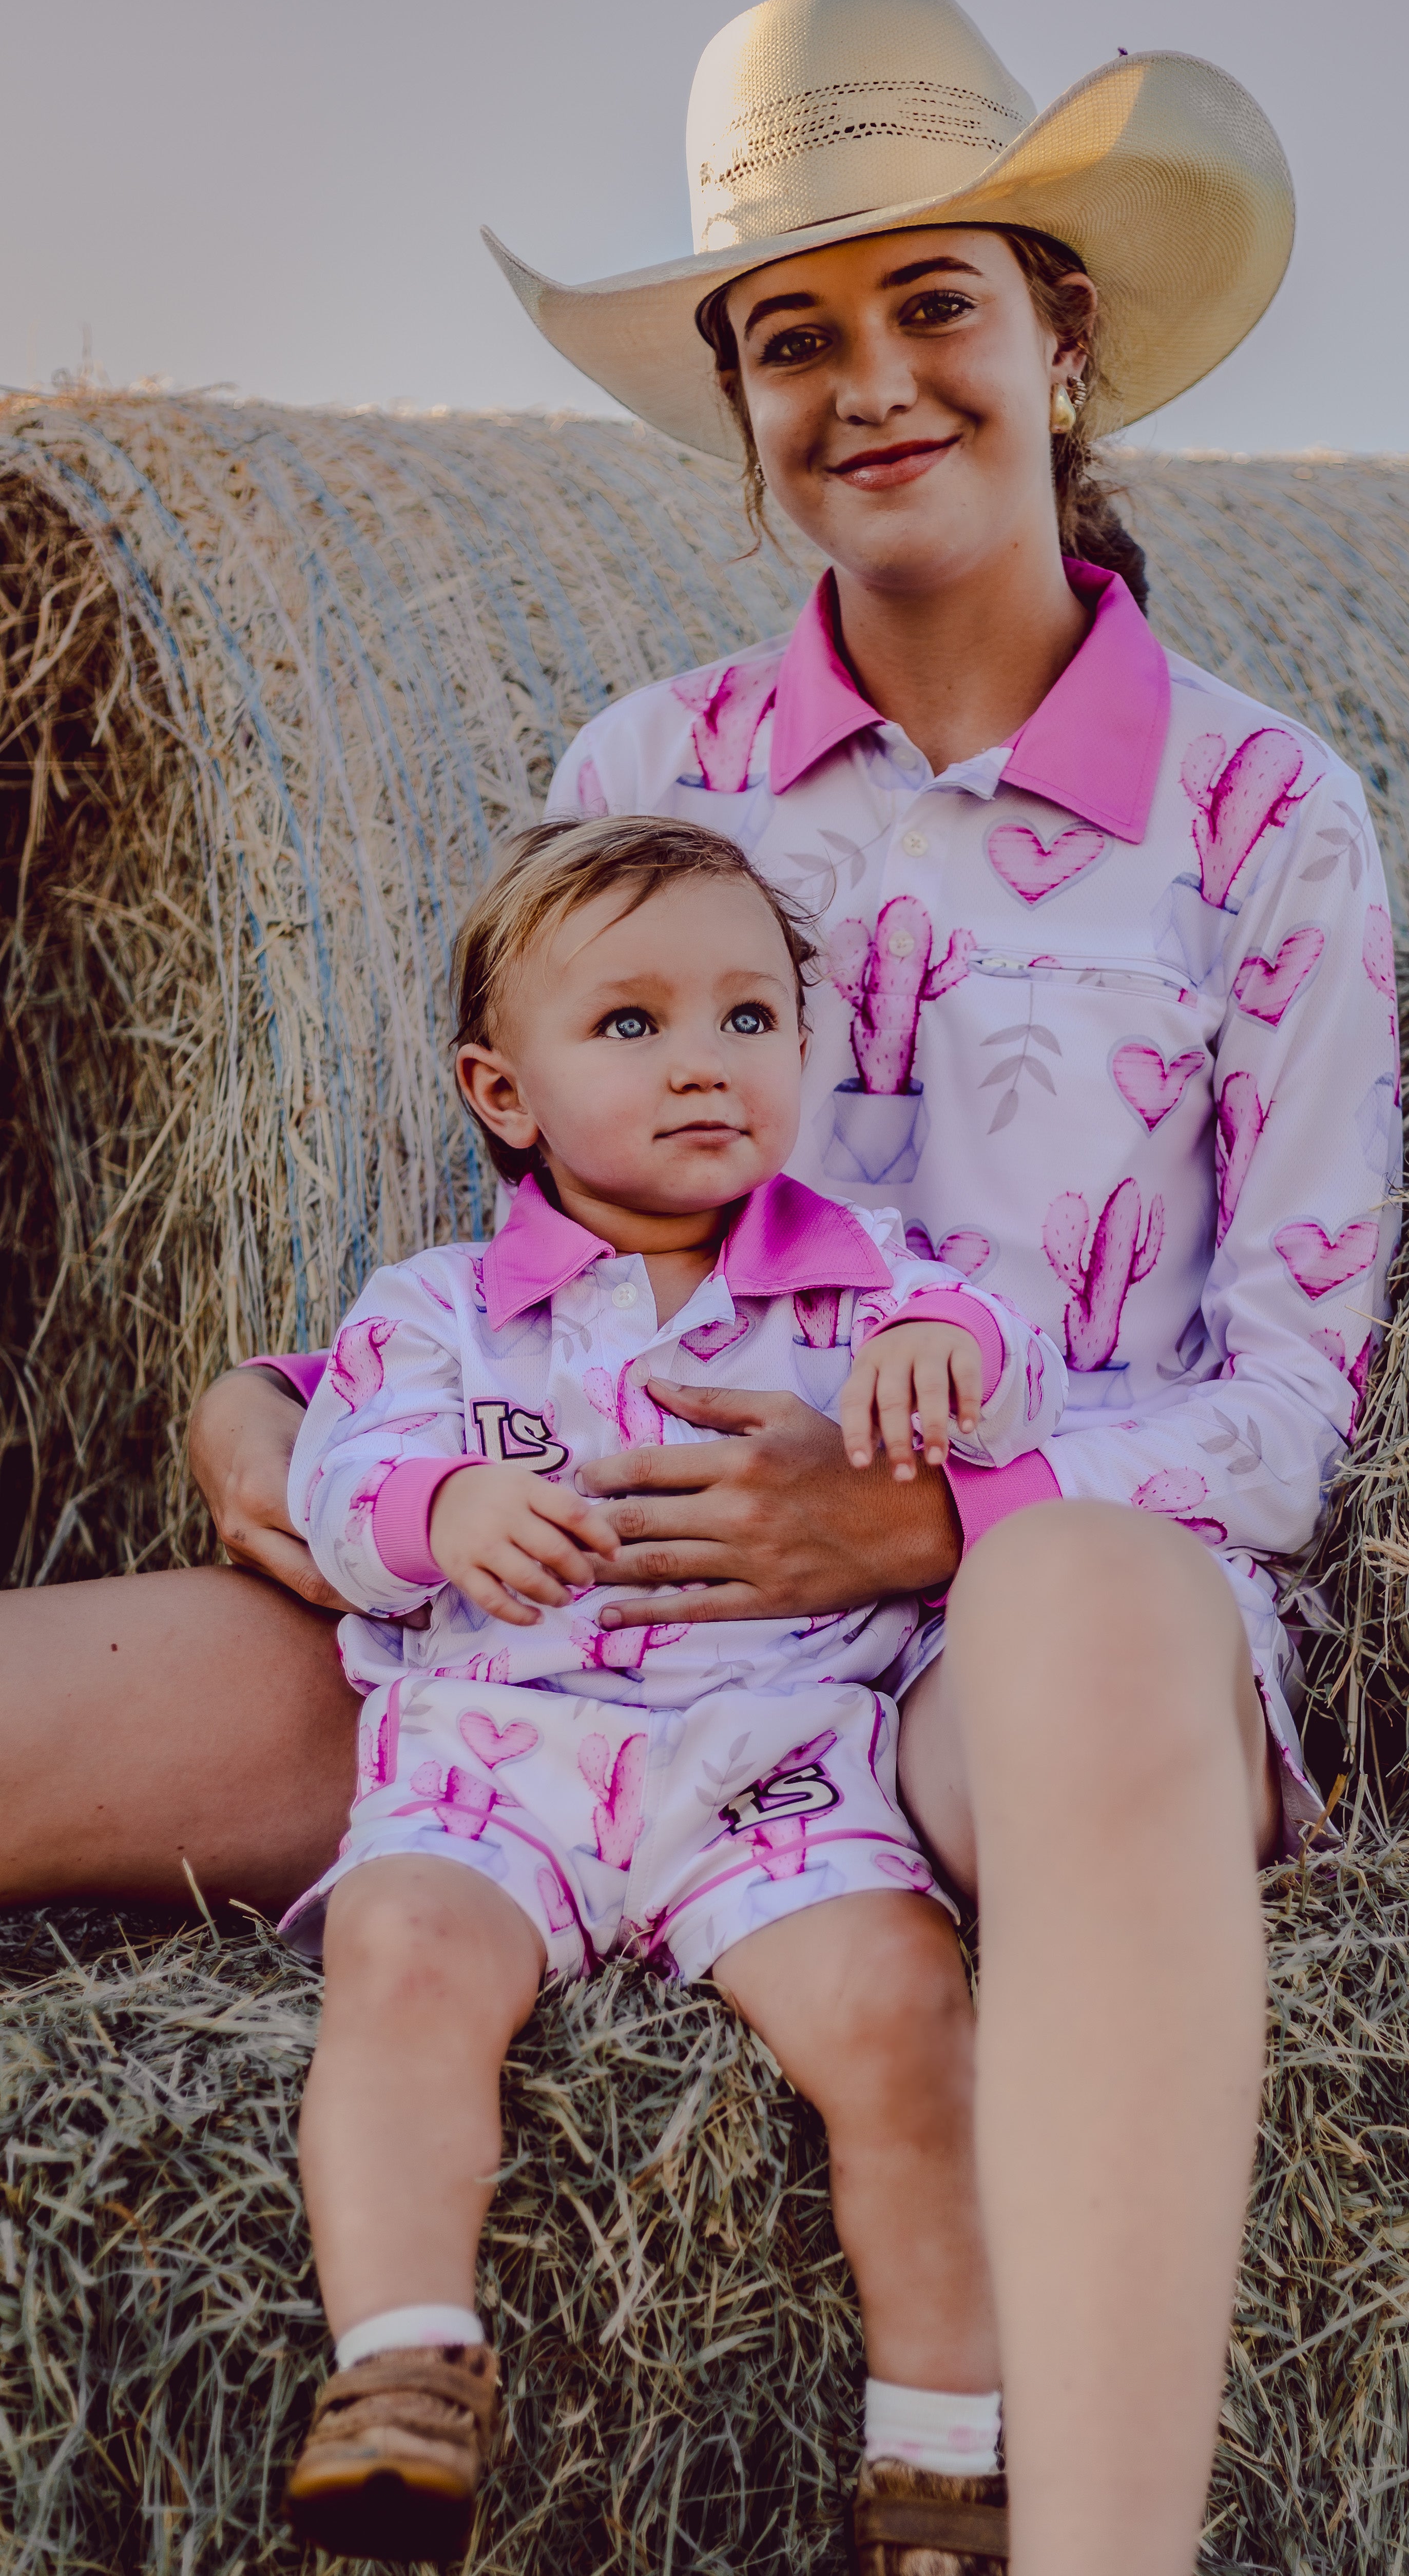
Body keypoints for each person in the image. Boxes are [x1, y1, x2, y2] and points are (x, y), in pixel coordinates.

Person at [0, 0, 1400, 2576]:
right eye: (794, 337)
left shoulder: (1262, 818)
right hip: (570, 1629)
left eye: (935, 304)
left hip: (991, 1688)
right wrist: (268, 1404)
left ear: (1063, 338)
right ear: (747, 409)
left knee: (1098, 1598)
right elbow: (541, 1225)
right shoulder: (646, 775)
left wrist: (928, 1519)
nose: (871, 384)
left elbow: (1291, 1396)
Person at [279, 811, 1062, 2562]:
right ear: (504, 1093)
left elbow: (1024, 1372)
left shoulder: (868, 1284)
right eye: (630, 1024)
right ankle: (403, 2367)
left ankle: (943, 2455)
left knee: (902, 2009)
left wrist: (954, 1349)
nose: (704, 1061)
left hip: (771, 1762)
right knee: (399, 1953)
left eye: (748, 1017)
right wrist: (441, 1509)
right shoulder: (438, 1309)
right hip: (501, 1756)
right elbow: (338, 1484)